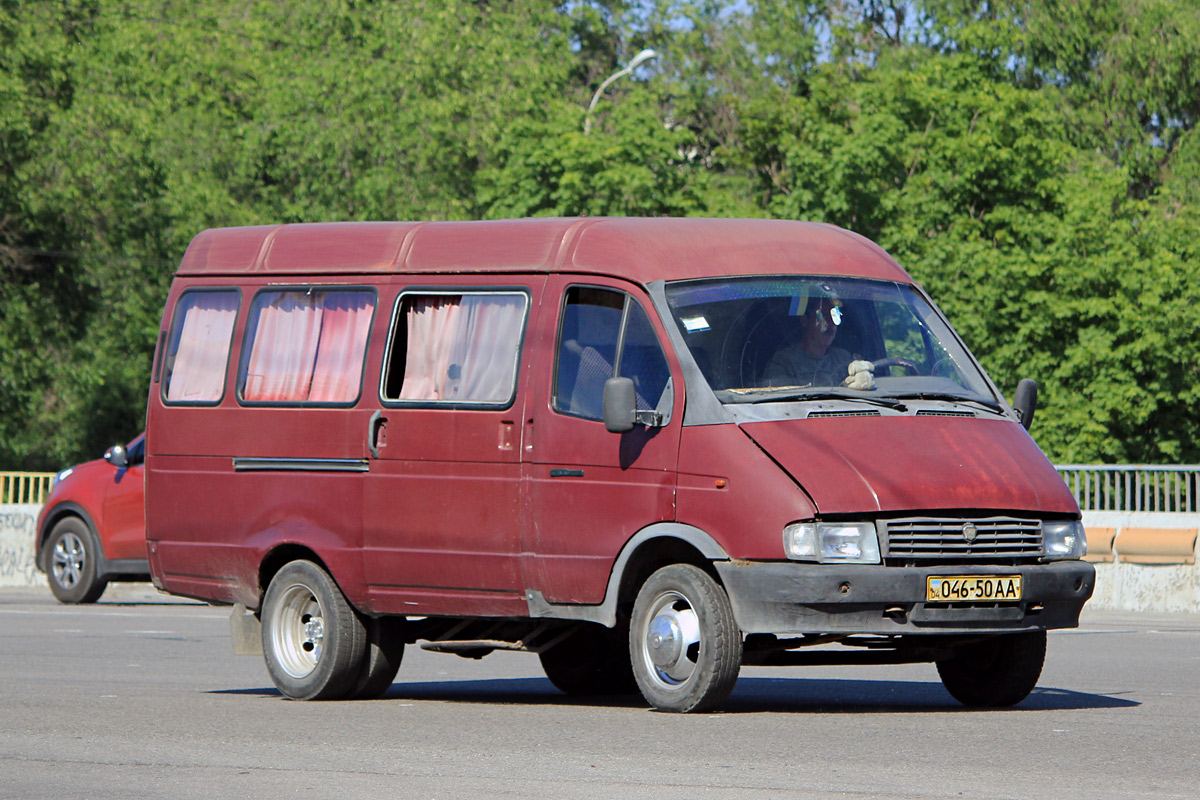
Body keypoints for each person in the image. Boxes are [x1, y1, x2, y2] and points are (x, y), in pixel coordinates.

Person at [763, 295, 854, 388]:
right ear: (804, 321)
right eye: (823, 317)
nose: (830, 325)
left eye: (834, 317)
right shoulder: (784, 362)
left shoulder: (844, 360)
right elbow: (778, 399)